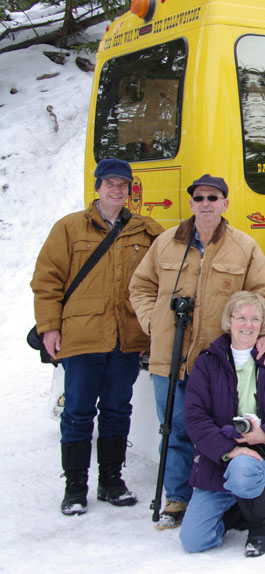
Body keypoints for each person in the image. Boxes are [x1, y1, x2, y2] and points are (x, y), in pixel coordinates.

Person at [130, 173, 265, 529]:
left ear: (226, 203)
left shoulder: (244, 247)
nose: (206, 203)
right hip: (169, 357)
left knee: (219, 431)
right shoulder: (166, 243)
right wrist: (154, 322)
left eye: (214, 198)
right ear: (192, 203)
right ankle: (177, 498)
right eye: (199, 198)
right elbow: (141, 286)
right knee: (175, 429)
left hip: (216, 363)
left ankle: (221, 496)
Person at [31, 158, 164, 515]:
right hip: (82, 335)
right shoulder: (70, 228)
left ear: (130, 190)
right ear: (97, 187)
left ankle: (111, 480)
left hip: (126, 337)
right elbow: (47, 281)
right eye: (110, 184)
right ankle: (75, 486)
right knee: (77, 412)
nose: (116, 190)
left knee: (118, 410)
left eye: (123, 185)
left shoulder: (145, 230)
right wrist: (49, 327)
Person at [180, 291, 265, 558]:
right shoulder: (206, 363)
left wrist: (264, 434)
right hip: (219, 458)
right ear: (229, 320)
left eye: (255, 319)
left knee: (243, 470)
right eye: (241, 317)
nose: (247, 325)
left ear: (262, 325)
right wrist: (229, 450)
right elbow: (195, 418)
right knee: (194, 540)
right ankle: (238, 506)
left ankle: (260, 529)